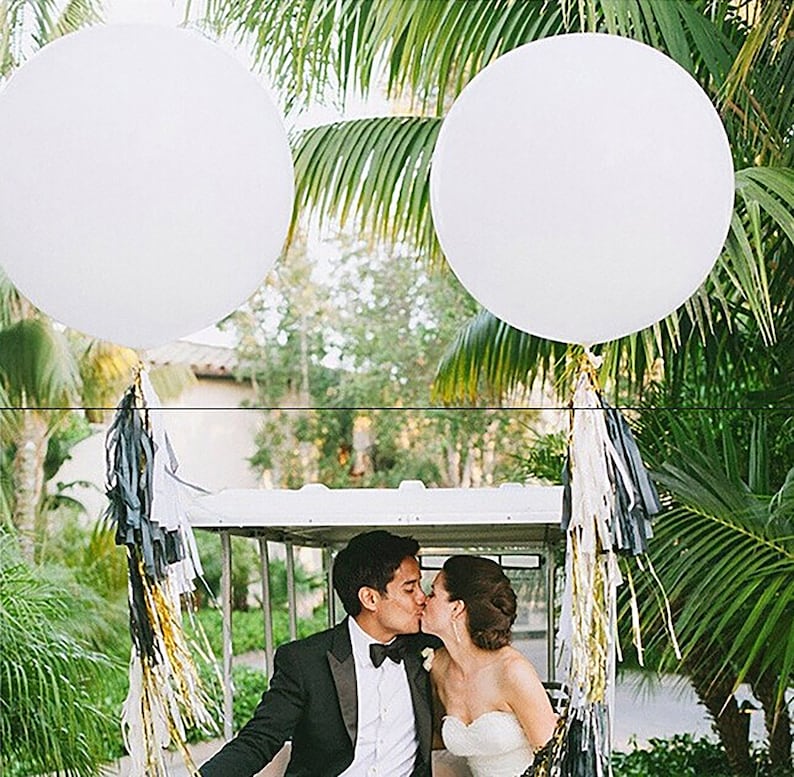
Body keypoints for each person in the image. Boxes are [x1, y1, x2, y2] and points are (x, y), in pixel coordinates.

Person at [199, 530, 435, 777]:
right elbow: (260, 738)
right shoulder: (304, 662)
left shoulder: (428, 650)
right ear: (369, 598)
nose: (422, 597)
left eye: (421, 585)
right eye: (410, 589)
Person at [421, 555, 557, 777]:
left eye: (433, 593)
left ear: (456, 609)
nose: (423, 600)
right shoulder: (438, 667)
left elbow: (552, 758)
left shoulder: (512, 671)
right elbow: (436, 741)